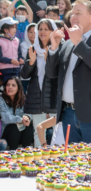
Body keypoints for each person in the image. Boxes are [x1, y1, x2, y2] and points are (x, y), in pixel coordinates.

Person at [46, 0, 91, 143]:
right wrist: (53, 48)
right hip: (68, 113)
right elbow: (52, 74)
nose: (73, 17)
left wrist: (79, 42)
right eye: (72, 13)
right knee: (74, 163)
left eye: (78, 13)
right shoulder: (67, 44)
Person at [20, 19, 59, 147]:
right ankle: (38, 163)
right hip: (37, 98)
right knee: (38, 132)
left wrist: (50, 60)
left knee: (57, 133)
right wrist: (30, 62)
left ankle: (57, 162)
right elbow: (24, 75)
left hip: (53, 97)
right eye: (40, 29)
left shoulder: (59, 48)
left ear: (52, 31)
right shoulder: (33, 49)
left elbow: (58, 75)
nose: (42, 32)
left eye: (46, 29)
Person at [0, 77, 33, 150]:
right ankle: (13, 153)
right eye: (8, 85)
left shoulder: (23, 99)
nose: (10, 87)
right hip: (7, 132)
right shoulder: (1, 100)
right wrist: (21, 120)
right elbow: (6, 117)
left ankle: (26, 153)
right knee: (14, 127)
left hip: (20, 132)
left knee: (28, 127)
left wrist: (27, 117)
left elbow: (29, 113)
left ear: (18, 88)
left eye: (13, 85)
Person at [0, 17, 24, 82]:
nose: (15, 29)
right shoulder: (0, 41)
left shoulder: (17, 40)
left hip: (16, 70)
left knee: (16, 88)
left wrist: (21, 60)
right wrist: (11, 61)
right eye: (12, 27)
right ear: (5, 30)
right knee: (8, 88)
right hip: (5, 71)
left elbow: (19, 54)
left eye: (15, 27)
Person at [20, 23, 36, 94]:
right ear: (26, 33)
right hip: (25, 75)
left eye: (35, 32)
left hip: (35, 76)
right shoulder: (22, 45)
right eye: (30, 32)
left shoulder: (39, 45)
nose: (33, 34)